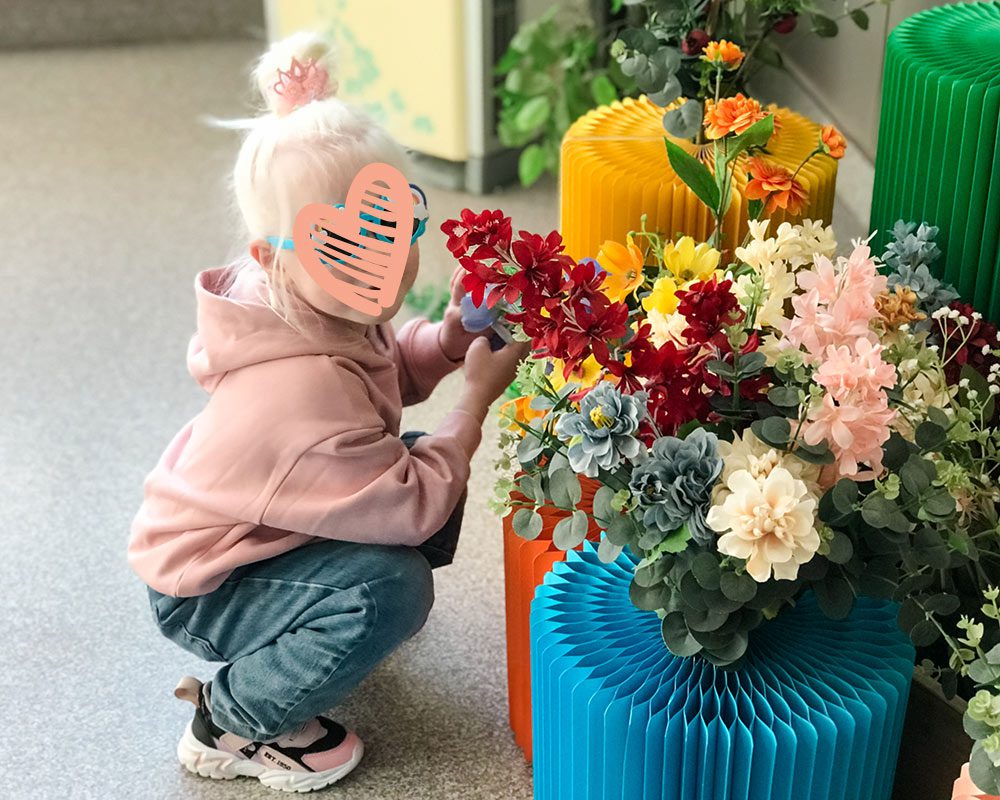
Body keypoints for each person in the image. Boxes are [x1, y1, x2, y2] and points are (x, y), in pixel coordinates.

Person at [127, 32, 526, 792]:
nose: (384, 257)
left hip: (256, 539)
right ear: (274, 254)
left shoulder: (312, 297)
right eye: (348, 240)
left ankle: (320, 628)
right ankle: (233, 720)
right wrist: (474, 401)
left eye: (392, 225)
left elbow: (383, 366)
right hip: (208, 590)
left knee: (412, 452)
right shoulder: (301, 388)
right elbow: (409, 509)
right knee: (396, 582)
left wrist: (447, 340)